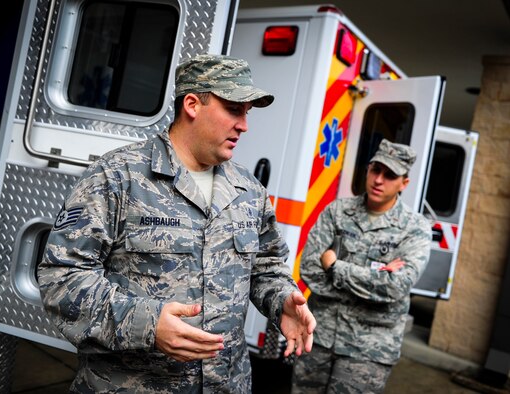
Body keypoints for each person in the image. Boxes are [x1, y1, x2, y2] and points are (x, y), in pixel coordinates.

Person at [37, 54, 316, 393]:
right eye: (233, 109)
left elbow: (266, 267)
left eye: (247, 112)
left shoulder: (249, 191)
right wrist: (147, 323)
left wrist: (282, 299)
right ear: (192, 104)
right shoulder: (118, 176)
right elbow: (61, 277)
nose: (244, 124)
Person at [291, 139, 432, 393]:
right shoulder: (338, 212)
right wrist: (371, 284)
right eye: (376, 170)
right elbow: (310, 269)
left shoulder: (415, 229)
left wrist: (335, 268)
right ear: (367, 170)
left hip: (368, 350)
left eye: (390, 175)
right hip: (318, 337)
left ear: (404, 183)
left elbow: (395, 287)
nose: (379, 180)